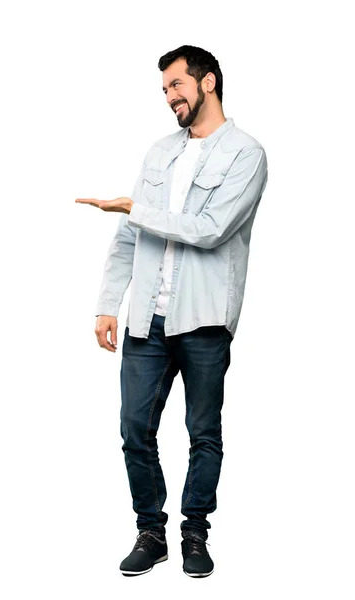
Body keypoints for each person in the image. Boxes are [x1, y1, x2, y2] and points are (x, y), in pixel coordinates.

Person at [76, 44, 268, 578]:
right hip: (147, 321)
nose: (169, 98)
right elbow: (127, 233)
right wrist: (108, 304)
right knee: (134, 427)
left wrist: (135, 209)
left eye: (176, 86)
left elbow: (211, 231)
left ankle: (194, 533)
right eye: (164, 90)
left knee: (203, 432)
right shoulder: (160, 152)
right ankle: (150, 531)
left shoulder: (246, 153)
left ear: (207, 83)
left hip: (204, 320)